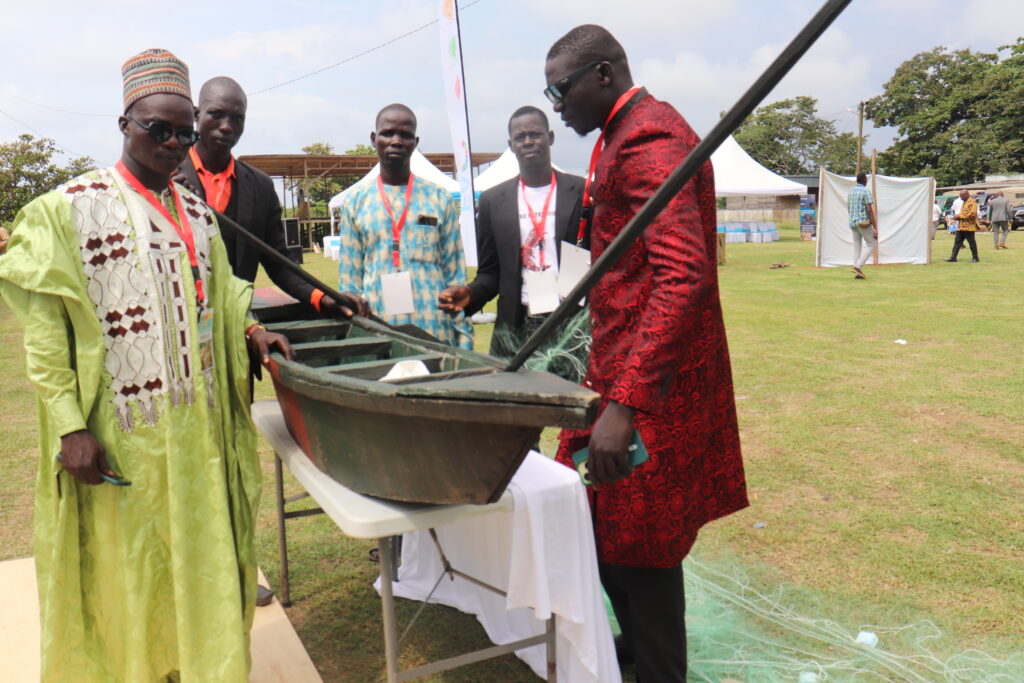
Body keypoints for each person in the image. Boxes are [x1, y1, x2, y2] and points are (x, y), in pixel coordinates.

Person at [0, 49, 295, 681]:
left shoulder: (197, 215)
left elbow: (216, 294)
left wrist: (252, 330)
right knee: (130, 573)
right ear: (123, 123)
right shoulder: (69, 209)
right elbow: (47, 335)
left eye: (181, 132)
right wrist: (68, 428)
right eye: (154, 127)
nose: (170, 141)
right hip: (123, 437)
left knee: (200, 564)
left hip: (201, 432)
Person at [543, 25, 748, 681]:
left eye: (559, 90)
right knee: (597, 526)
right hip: (616, 372)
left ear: (602, 74)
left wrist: (625, 404)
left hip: (647, 390)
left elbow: (682, 275)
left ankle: (656, 666)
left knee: (642, 549)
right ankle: (633, 652)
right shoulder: (617, 136)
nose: (556, 107)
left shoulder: (651, 142)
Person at [177, 76, 364, 318]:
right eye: (216, 114)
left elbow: (278, 262)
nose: (226, 126)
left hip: (238, 324)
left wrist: (323, 297)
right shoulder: (168, 177)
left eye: (237, 118)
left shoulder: (260, 187)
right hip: (181, 326)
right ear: (196, 114)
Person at [438, 106, 585, 375]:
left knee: (580, 410)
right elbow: (491, 274)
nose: (528, 141)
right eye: (520, 137)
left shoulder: (582, 192)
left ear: (550, 137)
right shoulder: (494, 201)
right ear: (511, 145)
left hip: (573, 325)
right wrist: (470, 295)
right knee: (518, 411)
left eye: (535, 134)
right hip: (516, 327)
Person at [337, 103, 472, 348]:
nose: (396, 141)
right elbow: (349, 283)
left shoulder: (438, 199)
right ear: (374, 138)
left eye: (405, 135)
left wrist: (463, 339)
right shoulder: (356, 202)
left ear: (415, 141)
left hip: (435, 333)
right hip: (378, 333)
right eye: (388, 133)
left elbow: (456, 278)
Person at [847, 173, 877, 279]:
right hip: (863, 222)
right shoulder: (865, 191)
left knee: (857, 247)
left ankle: (857, 273)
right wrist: (875, 226)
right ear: (864, 180)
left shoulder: (851, 192)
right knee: (872, 244)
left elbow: (849, 208)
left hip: (852, 222)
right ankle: (857, 267)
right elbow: (869, 210)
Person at [945, 189, 980, 262]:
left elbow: (973, 214)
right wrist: (957, 217)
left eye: (962, 196)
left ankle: (975, 258)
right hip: (961, 226)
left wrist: (960, 216)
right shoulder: (964, 202)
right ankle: (953, 257)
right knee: (957, 242)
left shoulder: (973, 203)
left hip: (969, 227)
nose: (961, 198)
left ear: (967, 194)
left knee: (971, 242)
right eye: (960, 196)